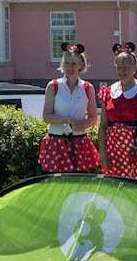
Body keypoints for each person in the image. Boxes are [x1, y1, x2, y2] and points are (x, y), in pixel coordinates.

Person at [98, 42, 137, 183]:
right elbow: (103, 126)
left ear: (134, 68)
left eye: (126, 67)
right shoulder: (107, 92)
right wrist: (102, 153)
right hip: (114, 151)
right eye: (119, 67)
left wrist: (136, 145)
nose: (122, 71)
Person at [38, 43, 99, 173]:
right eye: (67, 63)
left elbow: (94, 117)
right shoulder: (53, 86)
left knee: (80, 187)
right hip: (55, 143)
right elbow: (47, 117)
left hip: (80, 142)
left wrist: (83, 124)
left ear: (81, 65)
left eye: (73, 64)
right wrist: (68, 120)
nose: (70, 67)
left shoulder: (88, 88)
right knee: (56, 188)